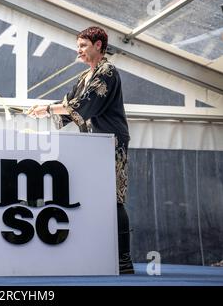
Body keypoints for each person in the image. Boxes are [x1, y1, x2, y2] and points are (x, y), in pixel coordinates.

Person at [27, 26, 134, 274]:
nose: (79, 51)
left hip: (111, 142)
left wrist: (48, 110)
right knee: (96, 198)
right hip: (92, 143)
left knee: (114, 199)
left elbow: (81, 106)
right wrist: (45, 109)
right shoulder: (85, 76)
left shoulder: (107, 71)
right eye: (78, 46)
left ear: (99, 45)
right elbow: (68, 107)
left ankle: (124, 259)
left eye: (83, 45)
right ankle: (101, 254)